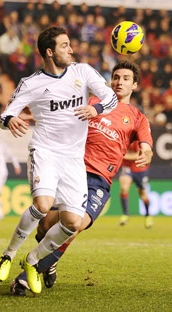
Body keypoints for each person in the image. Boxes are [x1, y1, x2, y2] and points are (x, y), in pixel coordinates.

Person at [10, 59, 153, 296]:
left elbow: (147, 145)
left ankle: (26, 276)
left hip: (100, 180)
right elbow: (60, 115)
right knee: (46, 226)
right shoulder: (93, 102)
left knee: (75, 225)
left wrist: (146, 153)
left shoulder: (137, 117)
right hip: (71, 169)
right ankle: (49, 261)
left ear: (135, 85)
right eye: (116, 77)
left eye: (126, 79)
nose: (119, 82)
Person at [0, 26, 118, 294]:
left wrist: (95, 108)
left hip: (73, 159)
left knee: (72, 222)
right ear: (49, 52)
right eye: (64, 46)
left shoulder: (82, 72)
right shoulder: (31, 83)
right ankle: (8, 254)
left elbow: (111, 98)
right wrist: (11, 119)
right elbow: (5, 116)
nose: (71, 49)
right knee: (42, 204)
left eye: (70, 44)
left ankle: (33, 260)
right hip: (45, 151)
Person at [118, 141, 153, 228]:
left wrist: (123, 155)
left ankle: (148, 216)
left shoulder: (139, 139)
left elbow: (139, 155)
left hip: (140, 168)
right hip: (127, 167)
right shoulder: (122, 135)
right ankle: (125, 214)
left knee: (143, 194)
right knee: (124, 188)